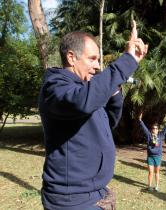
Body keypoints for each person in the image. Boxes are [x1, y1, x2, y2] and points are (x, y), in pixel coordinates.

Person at [39, 21, 148, 210]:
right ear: (71, 58)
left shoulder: (84, 89)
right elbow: (83, 102)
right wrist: (127, 60)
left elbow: (106, 124)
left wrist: (113, 93)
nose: (98, 66)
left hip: (94, 194)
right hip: (71, 200)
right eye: (92, 59)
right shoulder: (55, 87)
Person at [138, 113, 166, 192]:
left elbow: (165, 129)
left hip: (158, 156)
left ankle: (157, 186)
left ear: (158, 129)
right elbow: (144, 129)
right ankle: (149, 186)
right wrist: (140, 121)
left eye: (156, 128)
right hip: (150, 156)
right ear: (152, 129)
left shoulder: (160, 136)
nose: (155, 130)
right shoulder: (149, 136)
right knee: (150, 172)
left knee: (157, 172)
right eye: (153, 128)